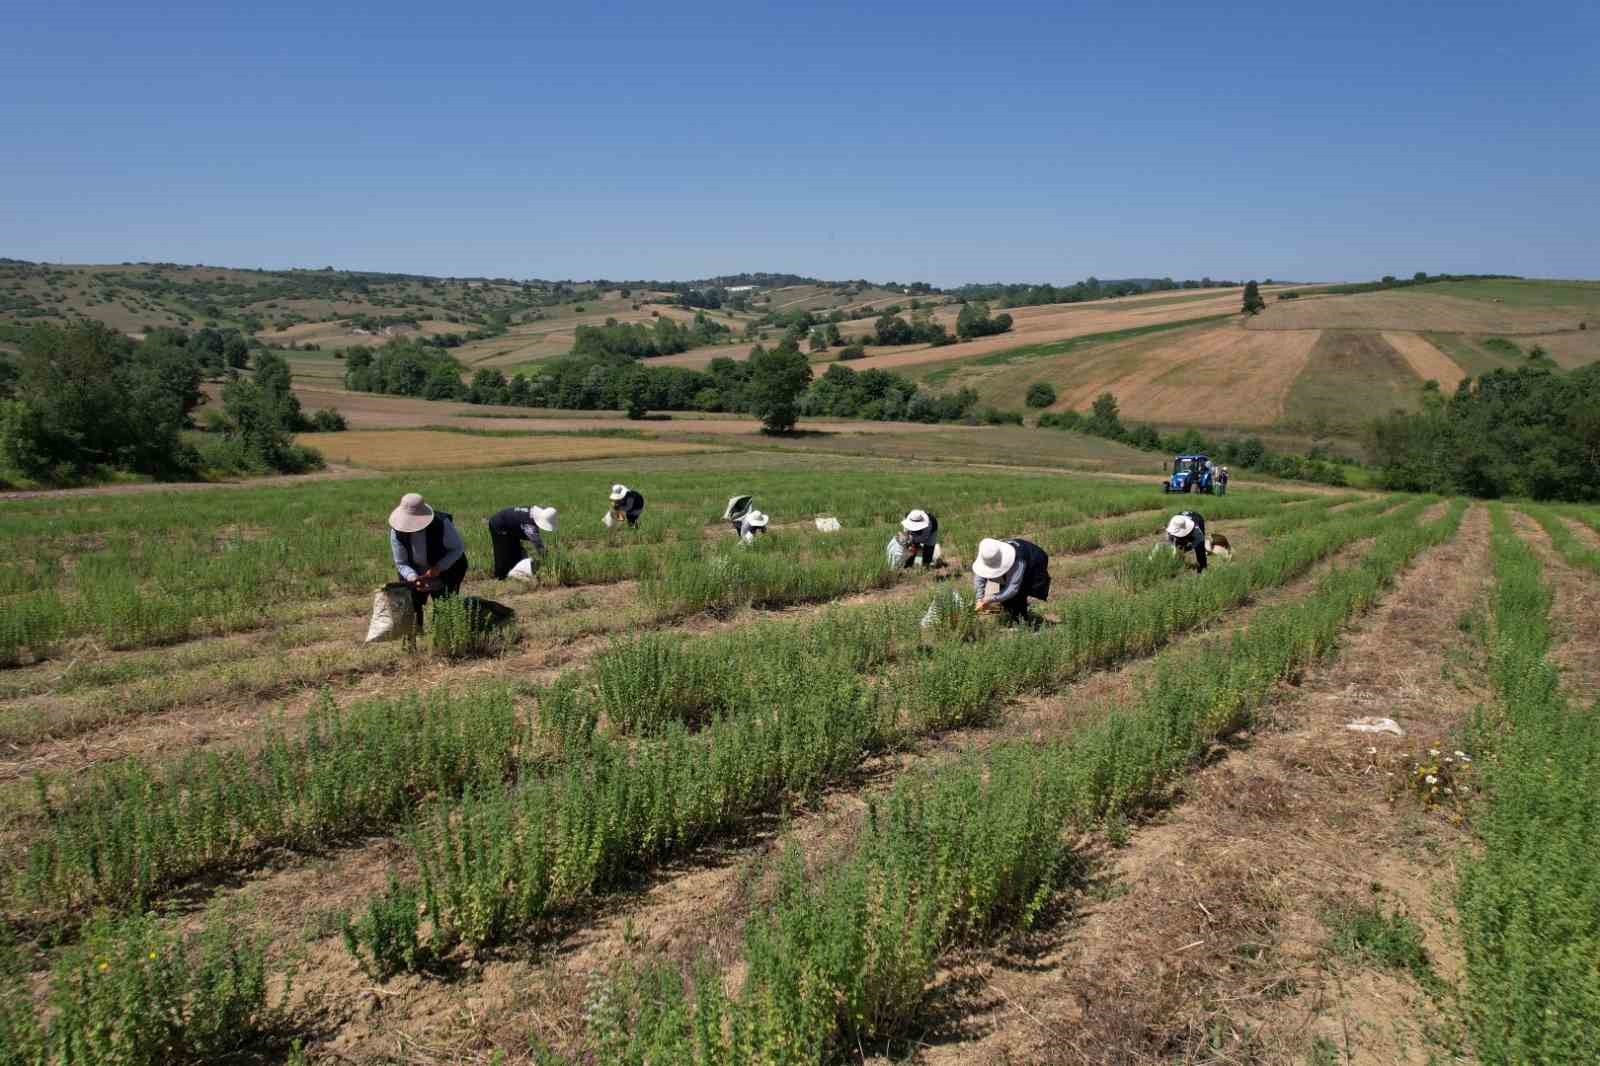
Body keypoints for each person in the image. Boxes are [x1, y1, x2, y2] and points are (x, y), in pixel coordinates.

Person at [388, 493, 468, 625]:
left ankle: (442, 637)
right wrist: (413, 578)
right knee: (411, 608)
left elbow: (457, 549)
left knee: (444, 608)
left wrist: (439, 568)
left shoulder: (441, 523)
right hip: (414, 572)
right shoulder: (396, 531)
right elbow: (401, 562)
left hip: (447, 569)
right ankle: (413, 637)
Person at [972, 536, 1051, 627]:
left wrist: (990, 599)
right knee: (1005, 594)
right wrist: (979, 598)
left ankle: (1021, 623)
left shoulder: (1018, 561)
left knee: (1019, 592)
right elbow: (979, 576)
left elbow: (1013, 588)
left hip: (1035, 560)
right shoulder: (987, 555)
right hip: (1019, 556)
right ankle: (1011, 611)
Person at [486, 504, 558, 579]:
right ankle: (499, 577)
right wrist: (546, 558)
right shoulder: (529, 526)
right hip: (498, 525)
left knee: (516, 553)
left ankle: (514, 574)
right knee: (503, 553)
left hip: (510, 527)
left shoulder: (534, 513)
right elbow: (538, 545)